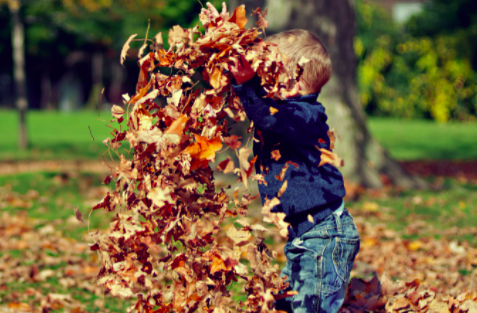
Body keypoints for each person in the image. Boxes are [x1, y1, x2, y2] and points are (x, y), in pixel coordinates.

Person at [203, 3, 361, 313]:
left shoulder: (305, 116)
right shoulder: (288, 111)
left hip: (324, 237)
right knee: (286, 306)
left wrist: (246, 86)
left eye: (270, 74)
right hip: (304, 238)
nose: (263, 82)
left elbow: (269, 118)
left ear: (294, 81)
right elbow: (263, 107)